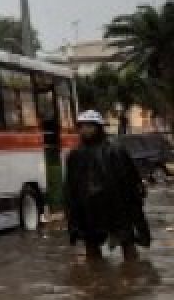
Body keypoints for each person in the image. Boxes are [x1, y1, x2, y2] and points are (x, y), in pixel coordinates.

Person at [64, 110, 149, 261]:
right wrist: (72, 214)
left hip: (117, 208)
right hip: (89, 209)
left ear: (99, 127)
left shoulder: (115, 150)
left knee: (127, 244)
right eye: (82, 126)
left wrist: (135, 201)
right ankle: (94, 280)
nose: (85, 130)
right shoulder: (75, 155)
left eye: (90, 126)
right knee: (91, 247)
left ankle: (132, 275)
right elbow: (71, 186)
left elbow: (130, 179)